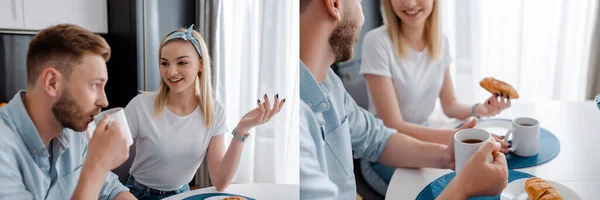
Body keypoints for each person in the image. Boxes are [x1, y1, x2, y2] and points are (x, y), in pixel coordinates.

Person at [298, 0, 508, 199]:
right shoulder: (295, 125)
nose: (362, 15)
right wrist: (463, 187)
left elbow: (377, 139)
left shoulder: (330, 84)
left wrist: (447, 156)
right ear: (334, 4)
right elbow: (391, 126)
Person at [358, 0, 511, 195]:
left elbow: (450, 105)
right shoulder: (376, 42)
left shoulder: (440, 41)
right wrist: (461, 139)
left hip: (425, 136)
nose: (410, 3)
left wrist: (478, 109)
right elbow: (393, 125)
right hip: (384, 151)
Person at [123, 25, 285, 199]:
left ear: (200, 64)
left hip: (182, 195)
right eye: (164, 63)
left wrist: (242, 129)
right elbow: (103, 163)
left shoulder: (213, 111)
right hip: (137, 195)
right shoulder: (140, 106)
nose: (171, 72)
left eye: (182, 62)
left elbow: (221, 181)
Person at [0, 24, 135, 199]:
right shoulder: (4, 151)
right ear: (52, 83)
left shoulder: (73, 129)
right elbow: (96, 177)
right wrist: (98, 165)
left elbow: (110, 190)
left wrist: (97, 168)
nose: (104, 101)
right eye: (95, 85)